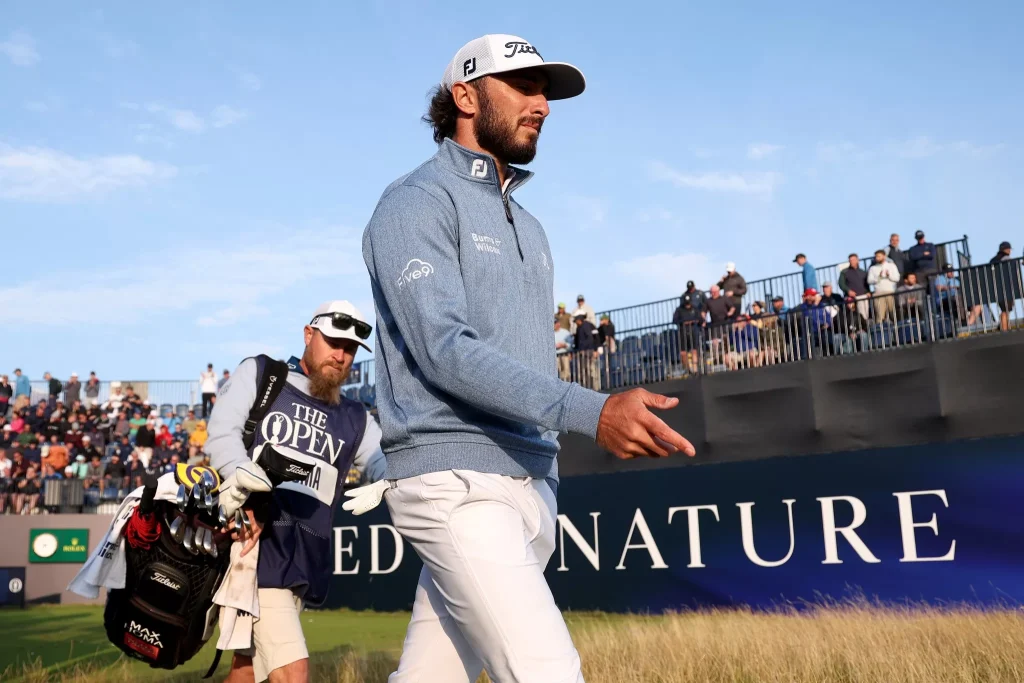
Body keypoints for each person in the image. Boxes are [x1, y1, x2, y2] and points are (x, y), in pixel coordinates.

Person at [360, 33, 694, 683]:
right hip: (455, 483)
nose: (541, 102)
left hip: (531, 480)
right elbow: (445, 351)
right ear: (464, 95)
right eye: (523, 85)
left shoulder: (532, 228)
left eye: (546, 90)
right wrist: (591, 410)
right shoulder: (414, 202)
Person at [207, 300, 385, 683]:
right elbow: (221, 434)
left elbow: (382, 461)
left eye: (350, 349)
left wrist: (391, 480)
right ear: (309, 334)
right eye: (333, 341)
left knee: (248, 669)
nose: (340, 355)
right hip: (256, 547)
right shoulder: (262, 375)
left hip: (305, 555)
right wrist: (244, 492)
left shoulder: (355, 417)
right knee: (292, 671)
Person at [867, 249, 901, 322]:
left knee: (893, 314)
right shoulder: (873, 268)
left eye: (879, 256)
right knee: (879, 315)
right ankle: (880, 331)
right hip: (878, 293)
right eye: (876, 257)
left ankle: (897, 331)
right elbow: (869, 281)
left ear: (884, 256)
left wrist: (889, 275)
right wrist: (878, 277)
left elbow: (897, 278)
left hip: (890, 292)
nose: (877, 258)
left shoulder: (891, 266)